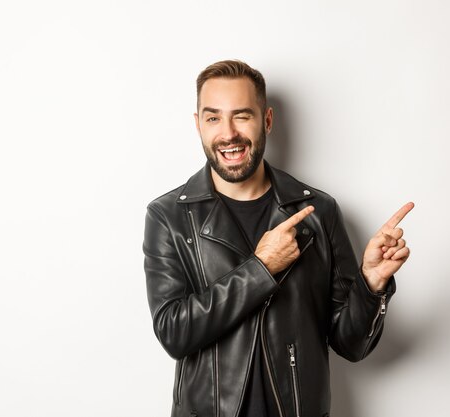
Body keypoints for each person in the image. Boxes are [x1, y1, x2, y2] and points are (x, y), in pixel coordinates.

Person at [143, 60, 413, 417]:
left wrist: (371, 284)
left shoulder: (320, 211)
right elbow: (174, 333)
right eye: (213, 118)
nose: (228, 133)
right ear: (198, 125)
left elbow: (351, 345)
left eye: (242, 116)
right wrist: (261, 268)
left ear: (266, 120)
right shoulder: (169, 216)